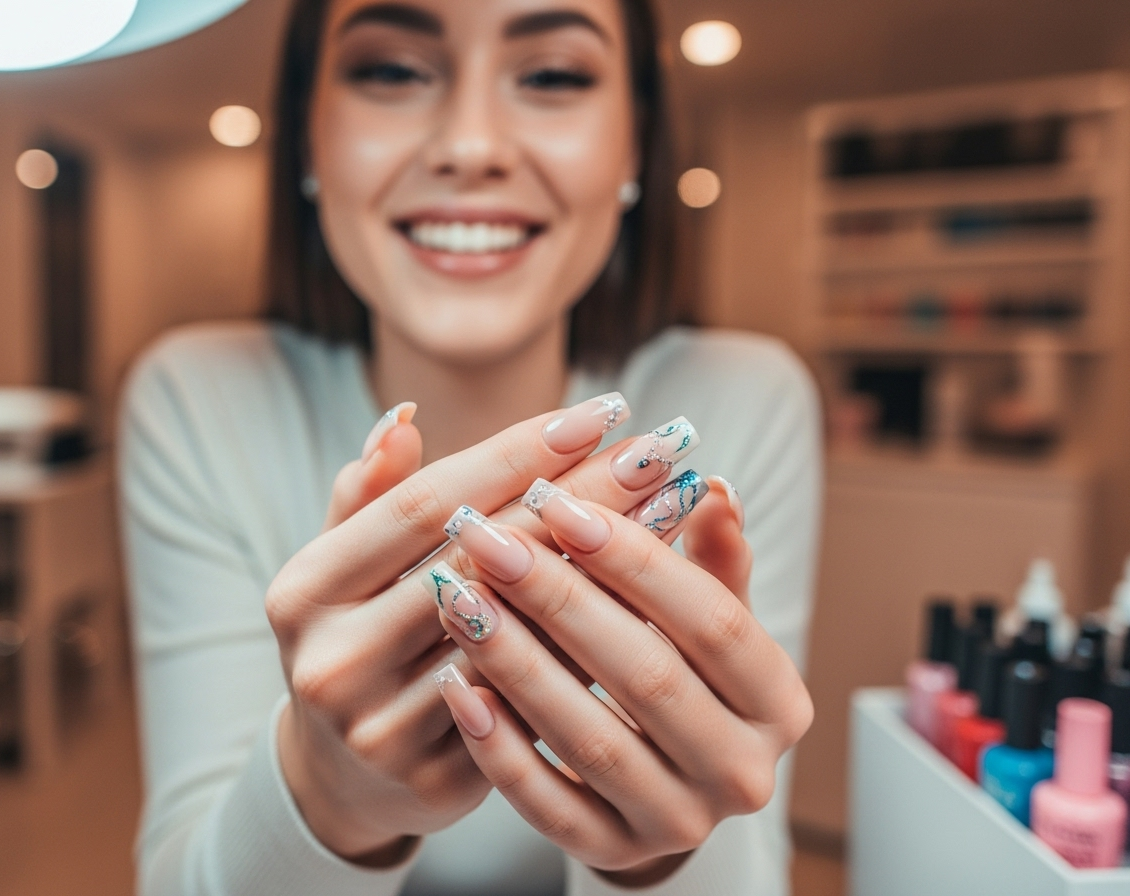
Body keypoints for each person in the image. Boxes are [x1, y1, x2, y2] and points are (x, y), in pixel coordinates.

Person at [119, 0, 821, 893]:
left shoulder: (746, 400)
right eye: (393, 71)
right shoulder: (197, 398)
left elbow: (747, 853)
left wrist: (671, 850)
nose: (471, 144)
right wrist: (323, 799)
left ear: (635, 147)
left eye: (553, 75)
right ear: (307, 138)